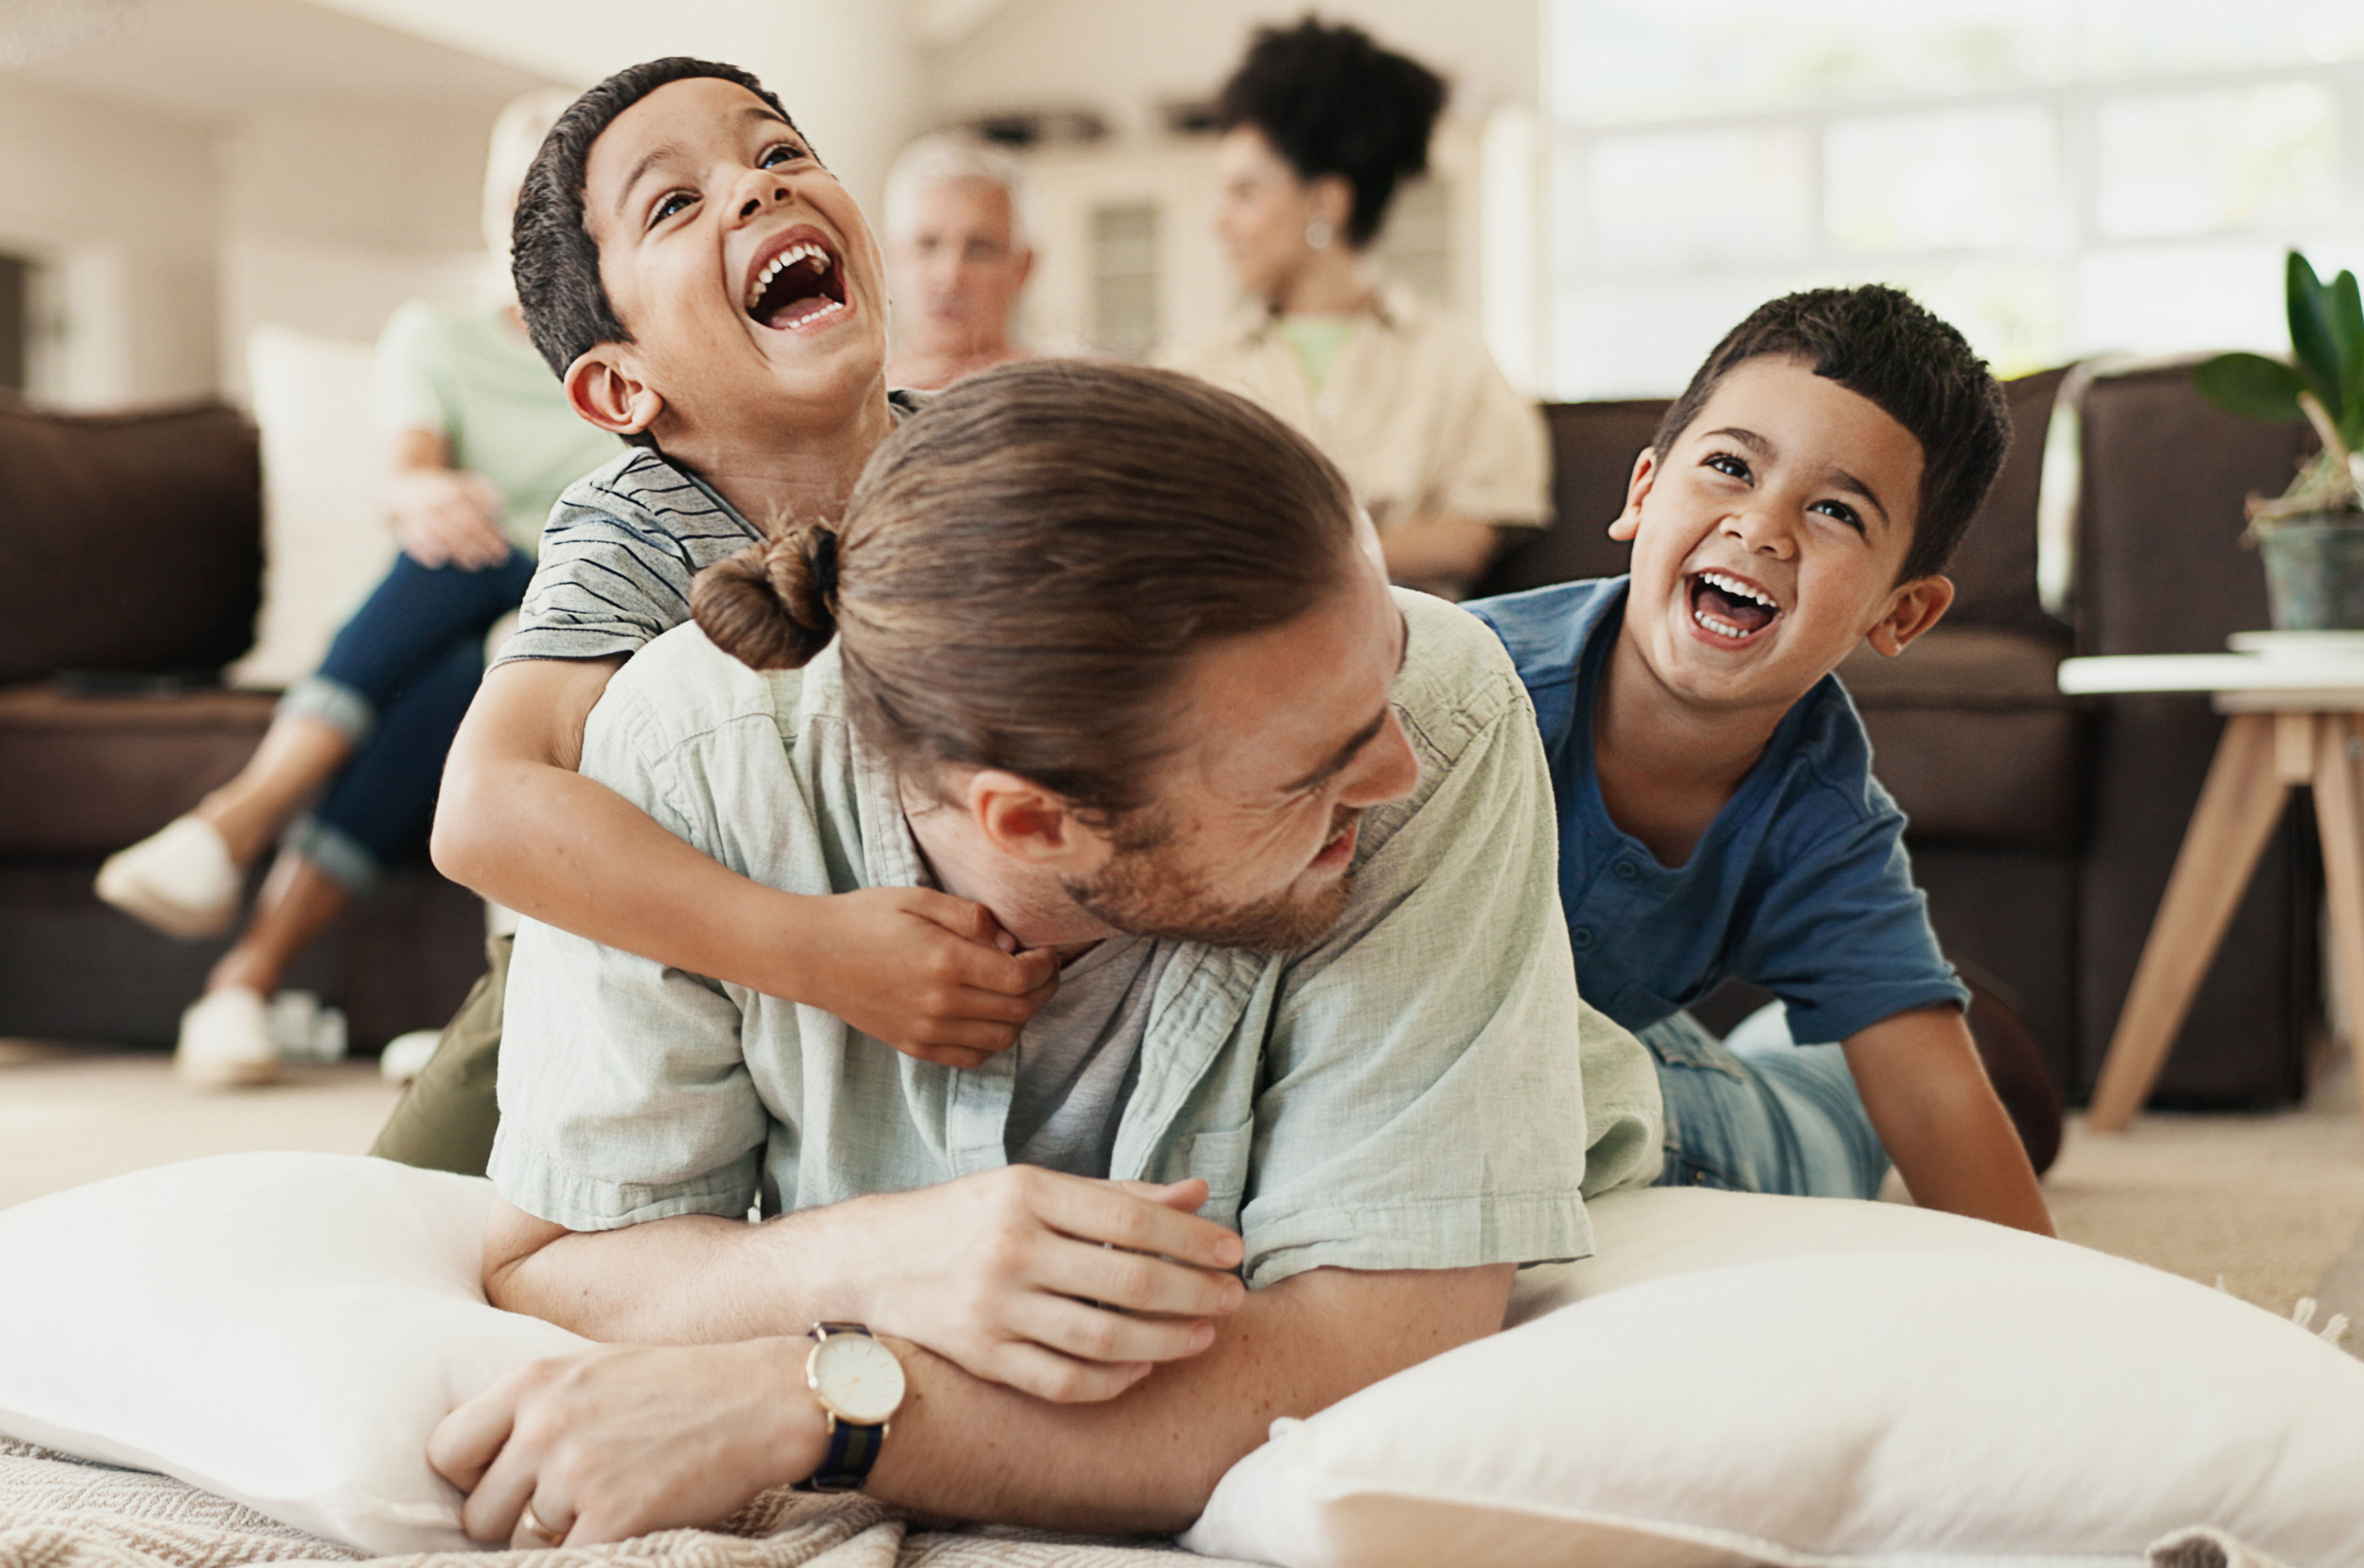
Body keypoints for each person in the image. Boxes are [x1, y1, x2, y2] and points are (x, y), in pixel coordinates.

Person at [428, 359, 1662, 1543]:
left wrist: (822, 1405)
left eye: (1377, 674)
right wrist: (880, 1257)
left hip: (1595, 1089)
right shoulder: (685, 757)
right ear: (1029, 821)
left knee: (1763, 1106)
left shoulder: (1440, 716)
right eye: (1310, 770)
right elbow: (559, 1265)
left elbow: (1372, 1349)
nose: (1390, 768)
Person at [367, 59, 1062, 1171]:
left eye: (780, 152)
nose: (757, 188)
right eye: (676, 202)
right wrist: (815, 953)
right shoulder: (636, 521)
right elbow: (484, 810)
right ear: (619, 389)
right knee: (407, 1224)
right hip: (645, 946)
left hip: (934, 924)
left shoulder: (987, 462)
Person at [1467, 285, 2055, 1233]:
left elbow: (1932, 1104)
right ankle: (1819, 1035)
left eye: (1834, 510)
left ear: (1900, 613)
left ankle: (1857, 1052)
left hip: (1641, 1081)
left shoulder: (1820, 817)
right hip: (1531, 1044)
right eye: (1730, 466)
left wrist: (2061, 1327)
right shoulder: (1462, 692)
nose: (1762, 526)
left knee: (1798, 1144)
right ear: (1642, 492)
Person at [91, 90, 627, 1087]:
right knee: (448, 638)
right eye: (514, 200)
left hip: (576, 590)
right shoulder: (437, 337)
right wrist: (420, 489)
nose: (533, 224)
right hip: (462, 596)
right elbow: (409, 465)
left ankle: (235, 864)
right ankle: (242, 970)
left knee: (494, 606)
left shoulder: (635, 354)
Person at [1158, 18, 1547, 600]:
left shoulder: (1454, 361)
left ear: (1326, 202)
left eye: (1244, 193)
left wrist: (1294, 562)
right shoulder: (1189, 371)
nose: (1219, 221)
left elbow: (1468, 536)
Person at [879, 135, 1036, 392]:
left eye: (980, 249)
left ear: (1024, 267)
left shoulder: (1060, 399)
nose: (950, 276)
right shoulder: (853, 407)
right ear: (891, 259)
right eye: (927, 246)